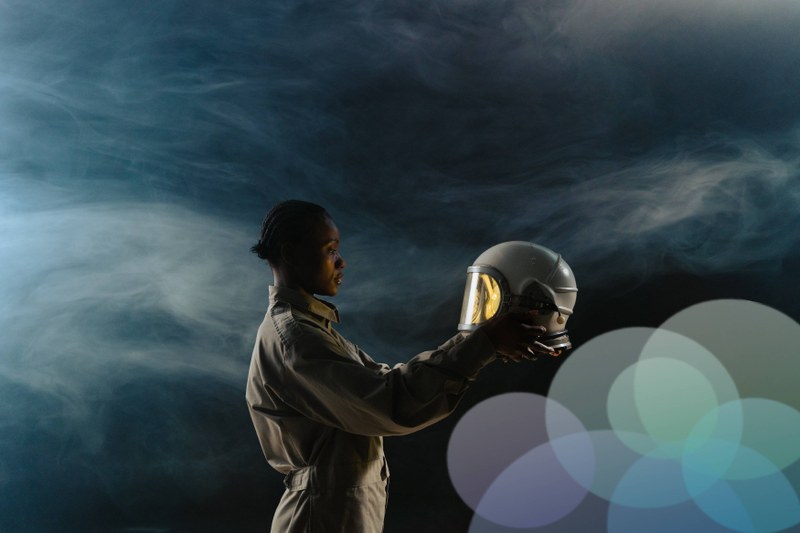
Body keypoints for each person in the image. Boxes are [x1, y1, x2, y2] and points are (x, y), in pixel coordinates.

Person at [245, 200, 555, 533]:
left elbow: (385, 384)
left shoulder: (310, 331)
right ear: (291, 253)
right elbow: (392, 402)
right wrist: (483, 343)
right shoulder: (297, 340)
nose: (341, 261)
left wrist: (483, 345)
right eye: (330, 250)